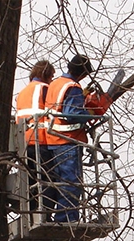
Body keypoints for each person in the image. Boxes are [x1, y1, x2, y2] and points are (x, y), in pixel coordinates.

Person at [45, 54, 95, 222]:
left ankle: (62, 217)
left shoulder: (56, 83)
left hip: (53, 141)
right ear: (83, 73)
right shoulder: (73, 87)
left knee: (60, 182)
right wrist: (89, 113)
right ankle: (67, 219)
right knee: (72, 183)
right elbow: (72, 114)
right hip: (68, 140)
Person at [16, 60, 56, 222]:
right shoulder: (45, 89)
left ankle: (32, 215)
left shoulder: (22, 93)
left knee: (32, 182)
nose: (52, 80)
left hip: (25, 142)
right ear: (45, 74)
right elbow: (58, 109)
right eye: (51, 76)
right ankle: (44, 216)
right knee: (49, 179)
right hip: (42, 140)